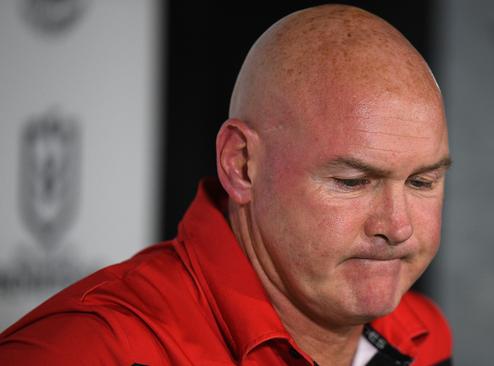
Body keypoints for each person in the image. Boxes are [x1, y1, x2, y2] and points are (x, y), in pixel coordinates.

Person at [0, 4, 452, 365]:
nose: (397, 227)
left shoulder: (423, 335)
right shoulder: (88, 352)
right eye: (353, 182)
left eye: (422, 181)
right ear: (241, 165)